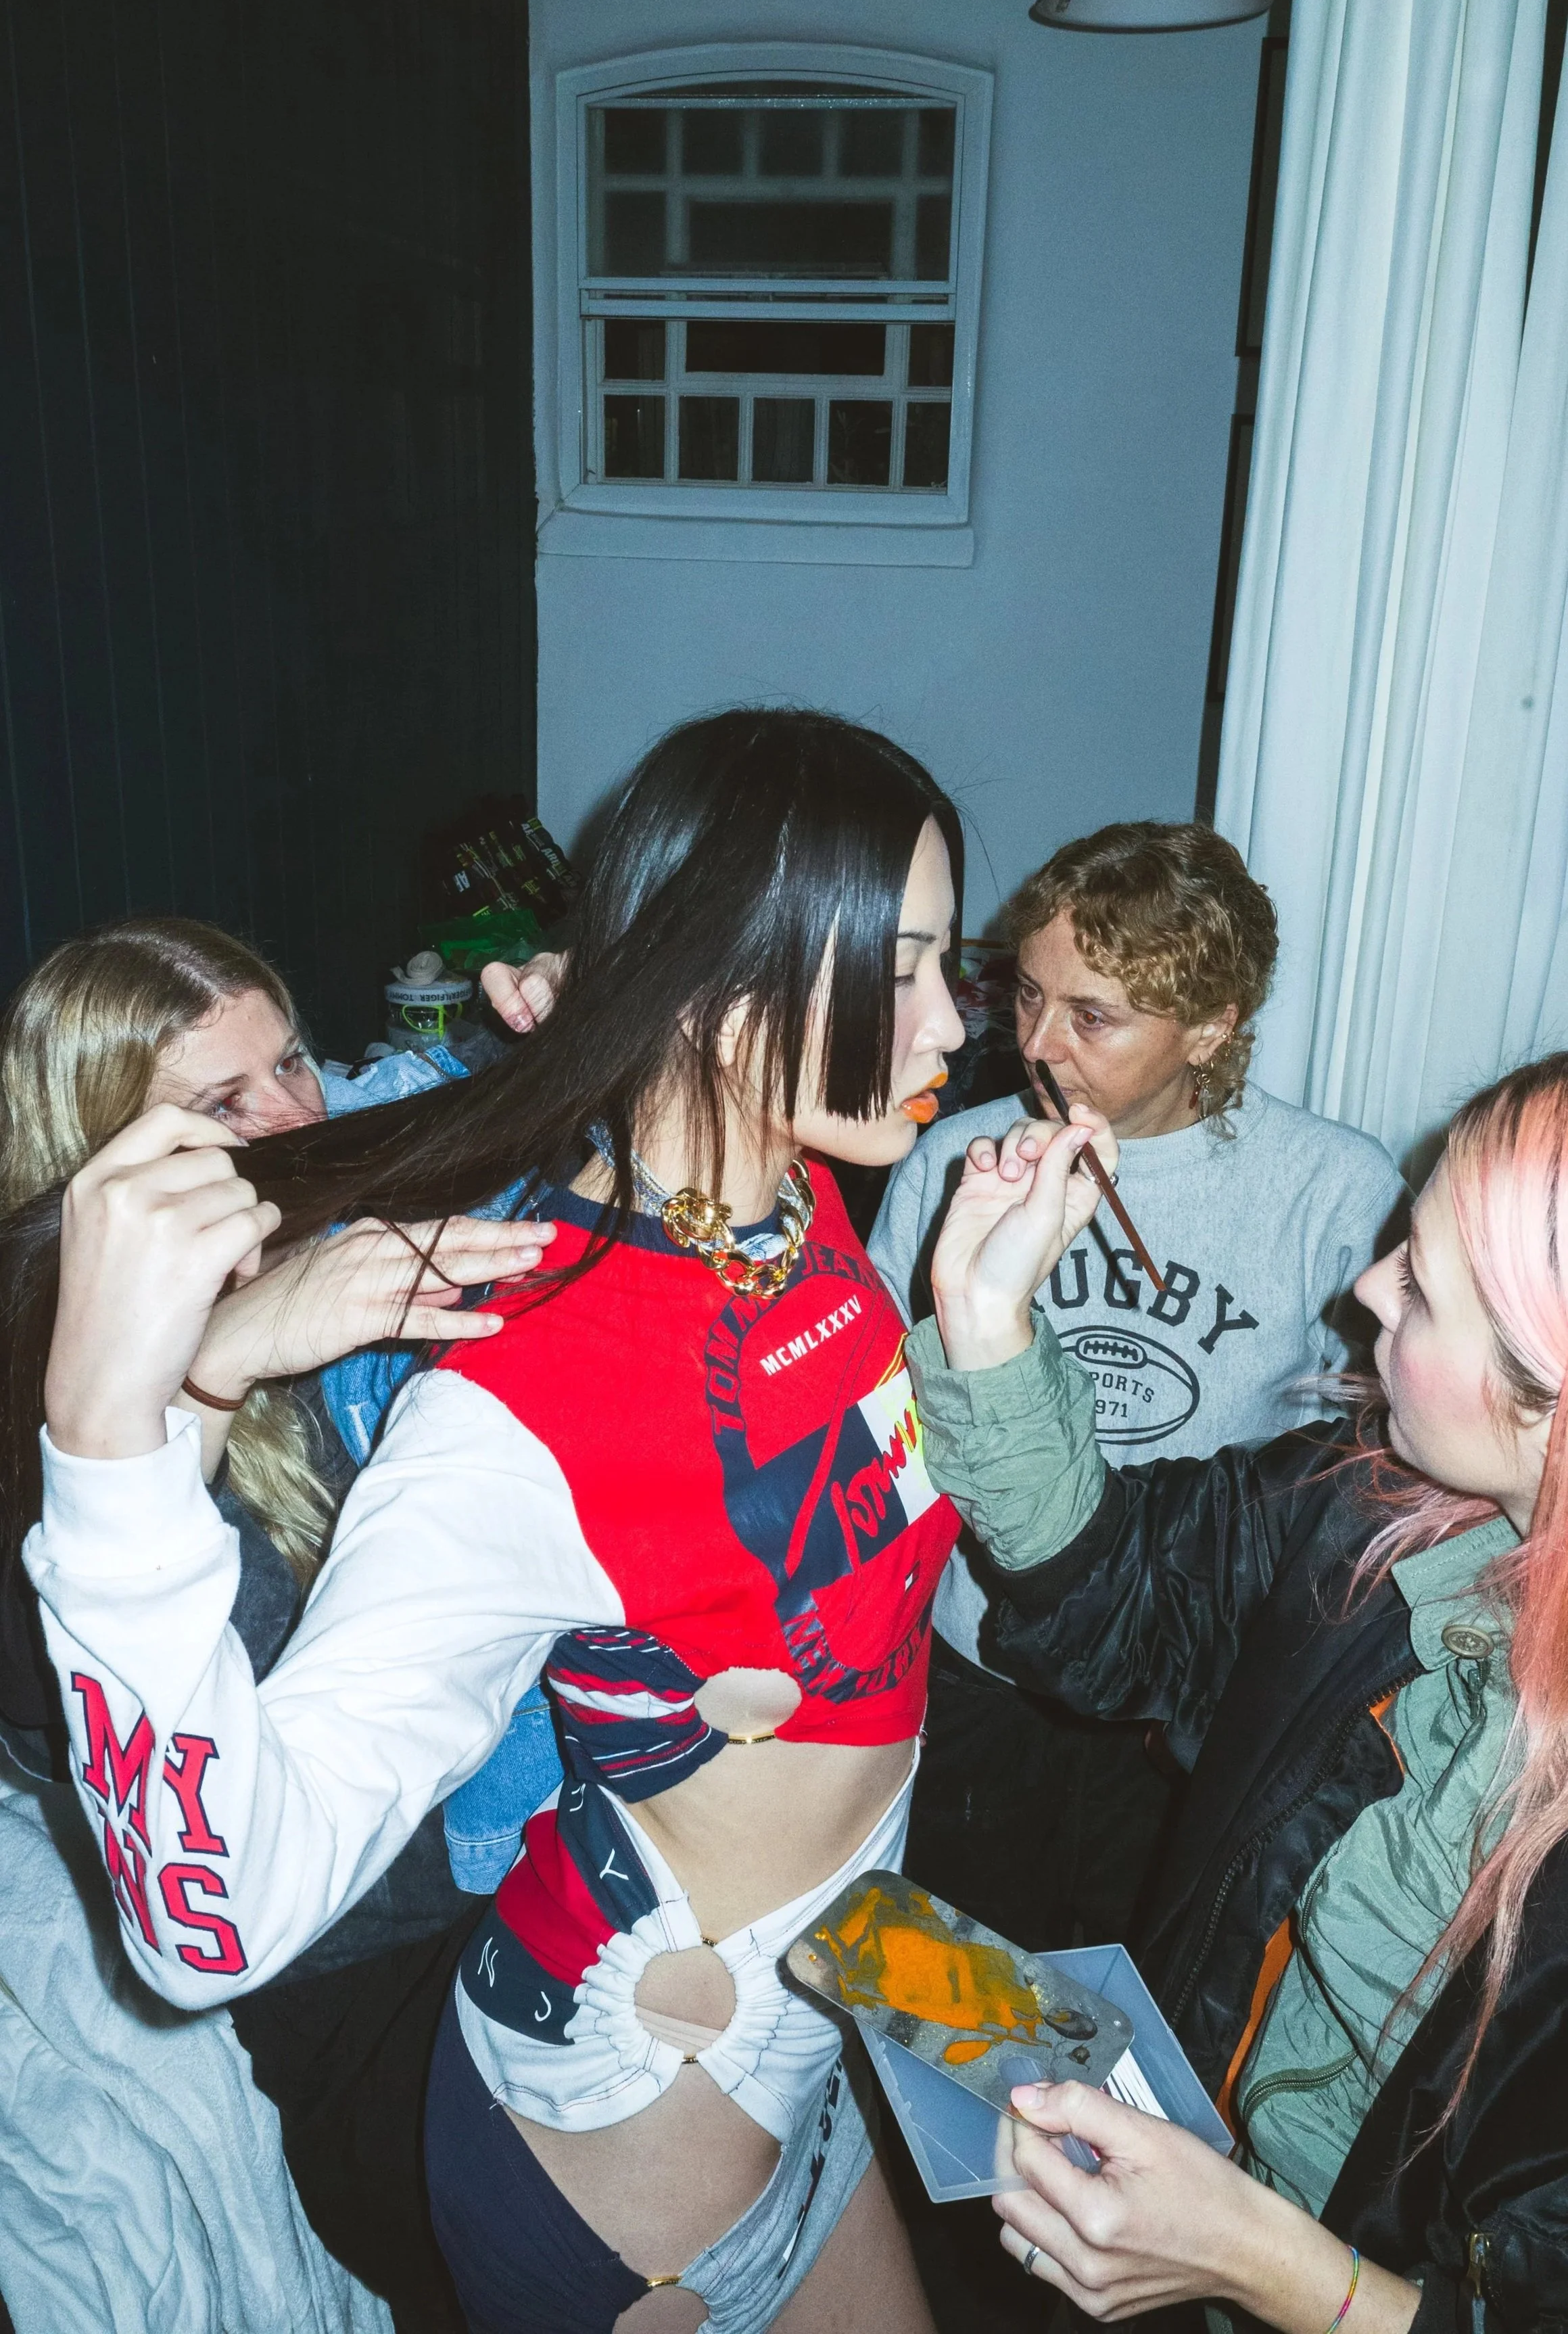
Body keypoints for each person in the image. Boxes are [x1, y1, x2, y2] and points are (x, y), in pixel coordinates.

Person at [16, 707, 972, 2334]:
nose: (954, 1019)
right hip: (627, 2162)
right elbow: (210, 1925)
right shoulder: (517, 1410)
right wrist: (122, 1434)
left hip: (812, 2037)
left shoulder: (799, 1202)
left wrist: (973, 2009)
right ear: (729, 995)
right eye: (901, 968)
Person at [896, 1056, 1568, 2333]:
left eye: (1421, 1287)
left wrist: (1265, 2267)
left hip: (1286, 2283)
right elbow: (1125, 1604)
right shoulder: (1379, 1515)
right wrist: (984, 1320)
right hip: (1181, 2175)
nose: (1365, 1287)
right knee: (900, 1962)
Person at [0, 914, 558, 2334]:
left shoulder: (316, 1215)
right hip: (345, 1971)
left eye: (293, 1062)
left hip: (491, 1861)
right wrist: (207, 1379)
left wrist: (558, 1044)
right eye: (221, 1103)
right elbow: (101, 1728)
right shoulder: (51, 1381)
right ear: (100, 1163)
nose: (292, 1117)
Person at [870, 821, 1405, 1954]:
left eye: (1091, 1016)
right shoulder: (954, 1160)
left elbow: (1366, 1470)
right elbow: (873, 1426)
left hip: (1185, 1702)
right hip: (980, 1668)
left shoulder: (1335, 1190)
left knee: (1137, 2019)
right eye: (1025, 996)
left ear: (1210, 1025)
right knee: (964, 1999)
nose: (1035, 1045)